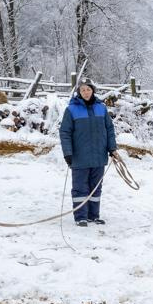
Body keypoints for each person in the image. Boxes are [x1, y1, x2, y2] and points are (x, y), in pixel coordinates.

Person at [58, 79, 117, 227]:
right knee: (80, 188)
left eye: (88, 89)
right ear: (79, 92)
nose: (86, 92)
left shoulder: (101, 108)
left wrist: (112, 148)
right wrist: (68, 153)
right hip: (79, 157)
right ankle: (81, 217)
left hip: (98, 156)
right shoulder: (71, 110)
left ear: (93, 91)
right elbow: (65, 132)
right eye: (83, 90)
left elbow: (109, 129)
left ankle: (93, 215)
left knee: (96, 187)